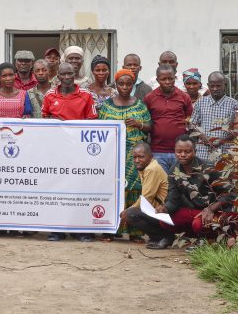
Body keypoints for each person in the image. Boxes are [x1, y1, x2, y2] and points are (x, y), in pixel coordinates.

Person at [125, 135, 236, 249]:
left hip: (214, 212)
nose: (182, 155)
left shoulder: (209, 167)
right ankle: (172, 237)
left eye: (187, 151)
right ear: (175, 152)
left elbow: (230, 194)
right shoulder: (174, 170)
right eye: (179, 151)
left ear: (195, 151)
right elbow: (173, 199)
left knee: (198, 223)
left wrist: (211, 208)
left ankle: (206, 242)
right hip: (193, 211)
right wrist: (165, 208)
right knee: (165, 220)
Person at [42, 62, 97, 242]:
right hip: (57, 152)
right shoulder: (50, 95)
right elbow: (44, 120)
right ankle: (57, 229)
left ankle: (82, 230)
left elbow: (92, 122)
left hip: (80, 152)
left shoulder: (86, 95)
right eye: (63, 74)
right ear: (57, 76)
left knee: (80, 190)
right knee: (58, 189)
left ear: (75, 74)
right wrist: (52, 120)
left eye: (70, 74)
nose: (67, 77)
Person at [98, 69, 152, 239]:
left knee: (134, 190)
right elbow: (100, 129)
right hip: (112, 155)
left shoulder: (140, 105)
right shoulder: (107, 105)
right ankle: (111, 230)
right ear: (116, 84)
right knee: (113, 191)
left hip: (134, 156)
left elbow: (150, 126)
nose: (125, 87)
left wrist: (139, 124)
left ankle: (135, 232)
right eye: (121, 83)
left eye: (129, 84)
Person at [143, 64, 194, 173]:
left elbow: (190, 121)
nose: (167, 82)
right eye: (163, 79)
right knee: (162, 186)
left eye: (170, 78)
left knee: (180, 185)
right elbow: (147, 122)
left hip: (180, 152)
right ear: (157, 79)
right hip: (157, 151)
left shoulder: (184, 97)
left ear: (175, 78)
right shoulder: (149, 98)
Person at [119, 142, 168, 234]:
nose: (137, 160)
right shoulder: (146, 167)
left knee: (130, 214)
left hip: (165, 212)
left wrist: (127, 211)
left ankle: (161, 236)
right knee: (131, 212)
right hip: (160, 210)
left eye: (141, 157)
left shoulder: (151, 169)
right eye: (134, 157)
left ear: (150, 156)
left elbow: (146, 198)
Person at [190, 72, 238, 160]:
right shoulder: (200, 102)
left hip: (225, 152)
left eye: (218, 86)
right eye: (212, 86)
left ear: (225, 85)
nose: (215, 89)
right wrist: (203, 137)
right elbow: (192, 124)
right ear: (208, 85)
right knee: (203, 173)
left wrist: (222, 141)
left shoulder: (234, 104)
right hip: (203, 152)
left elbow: (237, 129)